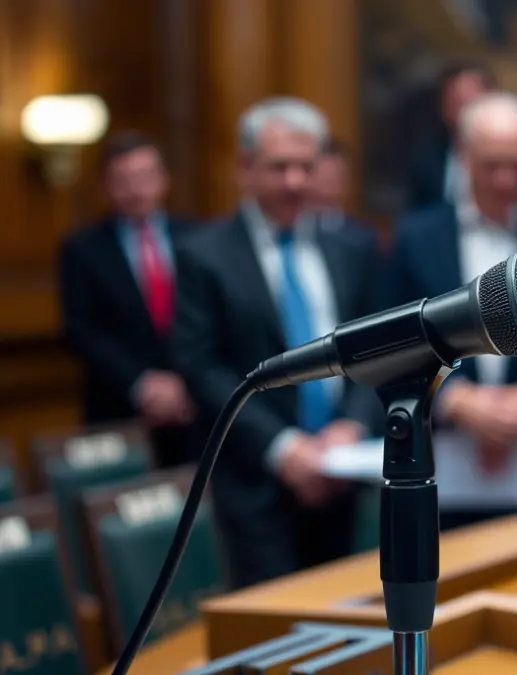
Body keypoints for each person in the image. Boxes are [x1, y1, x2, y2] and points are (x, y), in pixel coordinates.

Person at [172, 98, 382, 587]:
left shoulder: (352, 247)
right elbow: (200, 366)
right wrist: (284, 448)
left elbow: (375, 349)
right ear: (245, 168)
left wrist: (351, 425)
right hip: (254, 482)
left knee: (347, 624)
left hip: (343, 477)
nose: (294, 182)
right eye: (279, 167)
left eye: (306, 167)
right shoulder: (204, 255)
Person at [382, 92, 517, 528]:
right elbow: (398, 339)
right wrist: (456, 400)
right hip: (443, 454)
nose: (504, 180)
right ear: (463, 158)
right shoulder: (417, 238)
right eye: (492, 165)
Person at [59, 132, 198, 467]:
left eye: (144, 176)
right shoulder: (82, 249)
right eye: (123, 180)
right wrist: (142, 384)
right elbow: (80, 329)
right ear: (104, 187)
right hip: (119, 408)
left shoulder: (198, 238)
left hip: (194, 406)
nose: (135, 189)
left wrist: (187, 381)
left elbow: (209, 320)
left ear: (164, 180)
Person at [403, 61, 517, 215]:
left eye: (473, 102)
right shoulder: (428, 156)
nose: (467, 113)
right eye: (457, 104)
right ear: (443, 107)